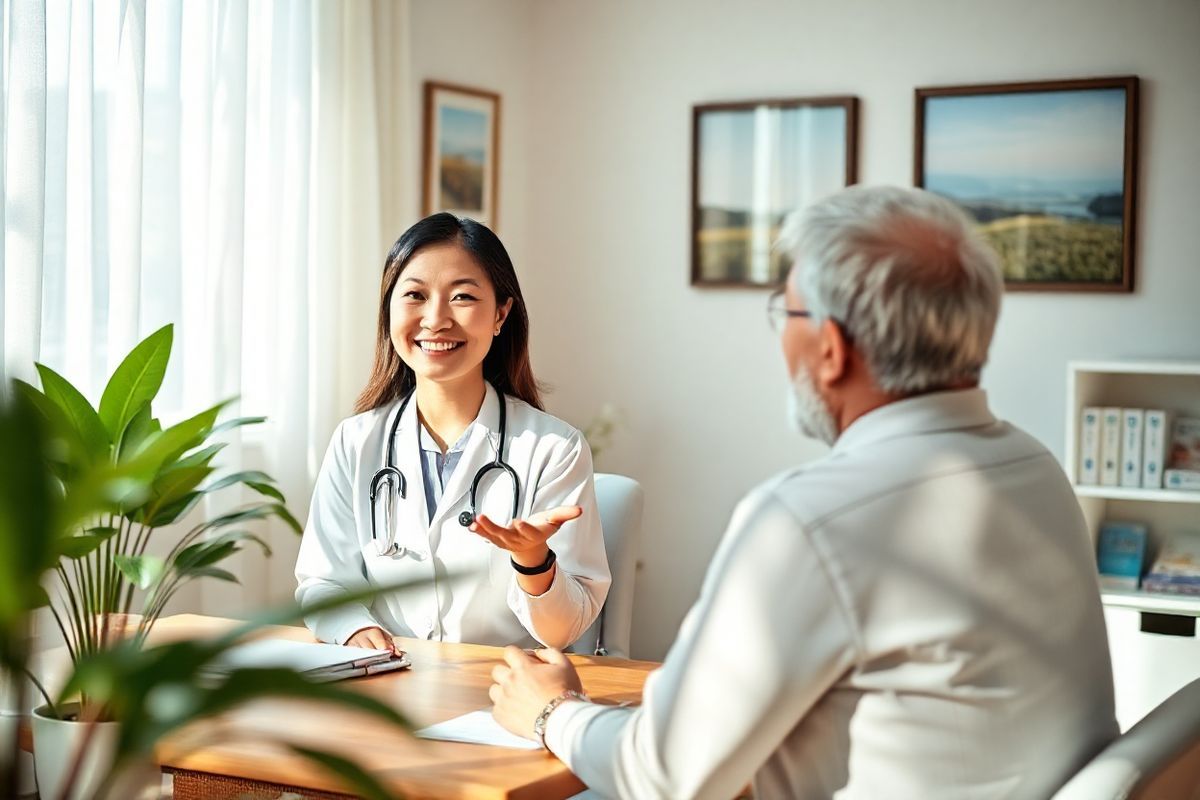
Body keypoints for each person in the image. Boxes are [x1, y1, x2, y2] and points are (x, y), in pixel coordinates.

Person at [489, 186, 1118, 799]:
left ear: (831, 348)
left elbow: (664, 778)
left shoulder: (810, 519)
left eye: (785, 313)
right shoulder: (1036, 467)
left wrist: (551, 712)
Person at [295, 213, 610, 652]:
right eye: (415, 296)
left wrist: (533, 560)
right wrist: (353, 629)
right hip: (388, 680)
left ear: (501, 313)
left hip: (502, 693)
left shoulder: (554, 449)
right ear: (389, 310)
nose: (436, 319)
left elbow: (563, 631)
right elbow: (324, 581)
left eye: (462, 297)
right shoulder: (355, 442)